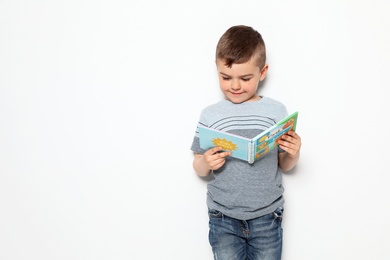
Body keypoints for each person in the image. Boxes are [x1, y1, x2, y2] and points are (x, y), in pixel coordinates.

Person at [190, 25, 302, 260]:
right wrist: (206, 162)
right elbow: (198, 167)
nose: (235, 86)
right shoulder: (210, 115)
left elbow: (285, 164)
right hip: (223, 216)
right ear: (217, 71)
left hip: (267, 216)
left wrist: (293, 154)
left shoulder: (275, 110)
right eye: (226, 77)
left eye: (245, 78)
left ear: (262, 72)